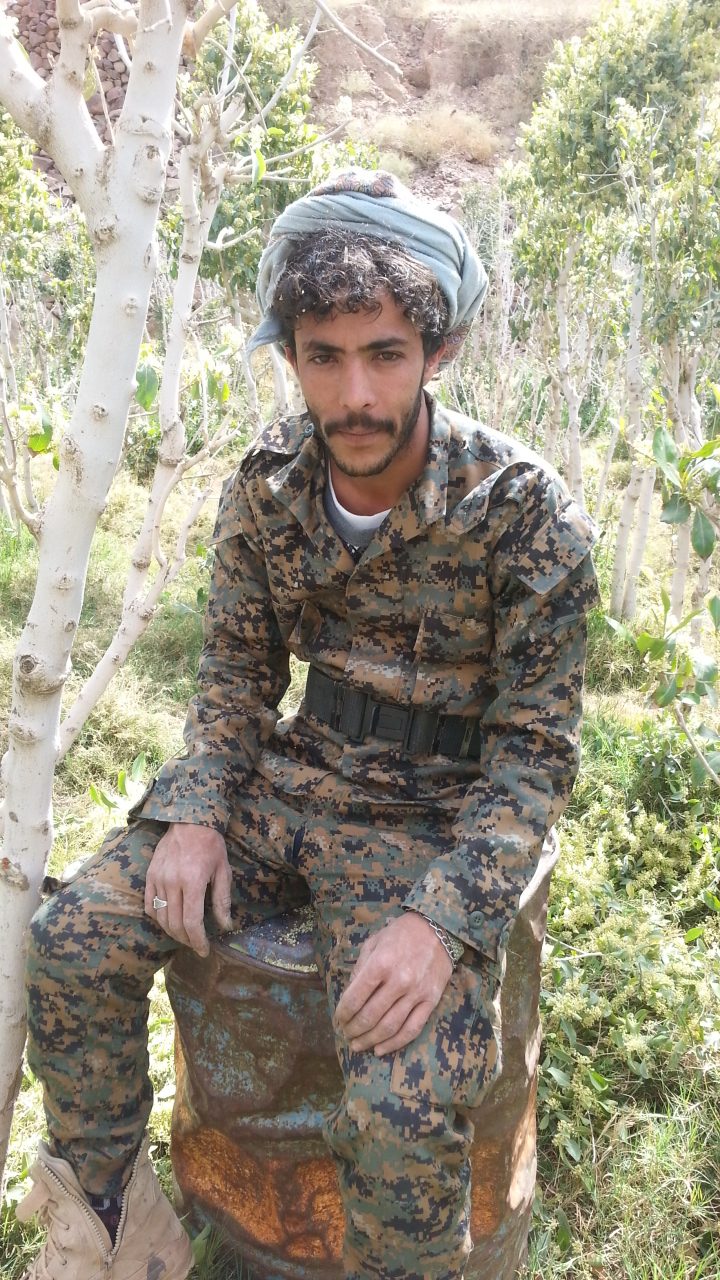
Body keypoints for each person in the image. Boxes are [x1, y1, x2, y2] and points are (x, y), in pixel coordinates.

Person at [19, 169, 598, 1280]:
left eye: (385, 354)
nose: (356, 394)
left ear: (437, 352)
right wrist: (196, 813)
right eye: (324, 357)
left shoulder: (524, 513)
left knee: (403, 1099)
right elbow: (237, 673)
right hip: (294, 779)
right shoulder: (268, 485)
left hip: (436, 819)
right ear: (290, 356)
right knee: (74, 939)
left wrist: (439, 924)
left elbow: (534, 759)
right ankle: (114, 1226)